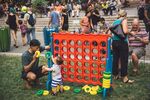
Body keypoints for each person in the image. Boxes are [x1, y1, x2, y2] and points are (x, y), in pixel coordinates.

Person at [111, 10, 134, 83]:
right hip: (122, 42)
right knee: (124, 59)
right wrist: (131, 32)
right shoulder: (124, 20)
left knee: (115, 58)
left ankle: (115, 75)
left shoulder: (115, 21)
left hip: (114, 42)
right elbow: (125, 31)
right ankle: (124, 77)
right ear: (125, 15)